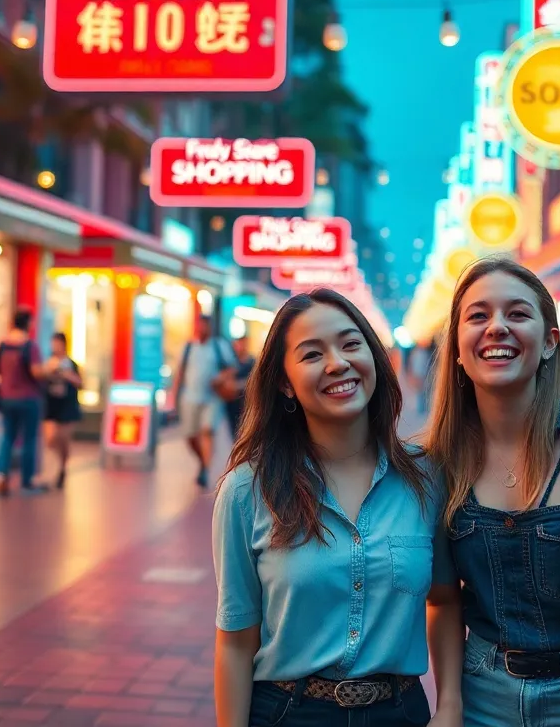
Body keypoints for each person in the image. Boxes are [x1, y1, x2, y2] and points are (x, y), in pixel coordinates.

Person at [212, 288, 457, 727]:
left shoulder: (424, 478)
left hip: (399, 712)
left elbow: (445, 599)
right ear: (284, 381)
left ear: (374, 358)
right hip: (288, 712)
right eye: (311, 355)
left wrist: (450, 706)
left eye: (350, 344)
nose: (337, 363)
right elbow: (235, 641)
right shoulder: (247, 490)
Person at [424, 257, 560, 727]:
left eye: (517, 314)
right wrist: (449, 704)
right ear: (456, 346)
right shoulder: (437, 462)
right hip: (482, 694)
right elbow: (444, 598)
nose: (497, 328)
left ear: (550, 341)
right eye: (478, 316)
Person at [174, 315, 237, 488]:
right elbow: (180, 373)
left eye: (206, 326)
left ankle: (206, 470)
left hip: (212, 398)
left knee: (207, 431)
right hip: (190, 398)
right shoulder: (188, 347)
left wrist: (220, 378)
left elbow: (232, 367)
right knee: (191, 437)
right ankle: (203, 463)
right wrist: (174, 397)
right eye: (200, 325)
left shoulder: (218, 346)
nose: (203, 329)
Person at [0, 308, 47, 496]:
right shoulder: (30, 346)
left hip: (6, 398)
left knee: (8, 437)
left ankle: (1, 474)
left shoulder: (3, 345)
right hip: (28, 398)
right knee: (30, 439)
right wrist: (49, 370)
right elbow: (36, 372)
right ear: (28, 323)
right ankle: (27, 480)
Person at [42, 331, 82, 489]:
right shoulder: (48, 363)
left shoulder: (71, 364)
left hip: (67, 406)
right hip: (51, 405)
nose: (55, 347)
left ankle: (62, 468)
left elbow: (80, 382)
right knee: (50, 438)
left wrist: (67, 375)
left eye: (57, 343)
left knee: (63, 439)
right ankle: (57, 466)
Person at [223, 335, 256, 438]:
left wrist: (237, 385)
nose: (239, 347)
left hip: (246, 404)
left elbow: (255, 381)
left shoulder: (252, 362)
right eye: (237, 344)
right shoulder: (231, 363)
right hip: (232, 404)